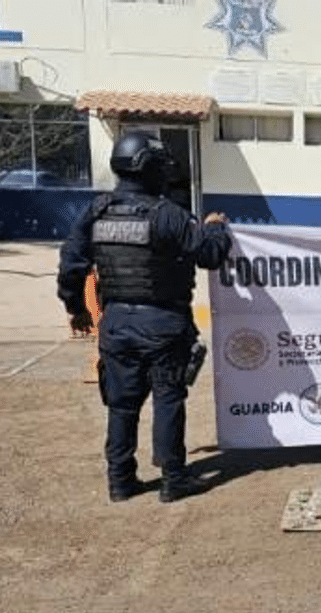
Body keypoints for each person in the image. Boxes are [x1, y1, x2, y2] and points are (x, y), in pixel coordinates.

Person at [57, 131, 232, 503]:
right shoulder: (168, 214)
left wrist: (76, 309)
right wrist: (215, 228)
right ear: (150, 168)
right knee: (168, 400)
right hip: (164, 326)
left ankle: (120, 481)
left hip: (117, 325)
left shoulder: (96, 211)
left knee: (121, 405)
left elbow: (71, 264)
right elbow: (210, 255)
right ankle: (173, 479)